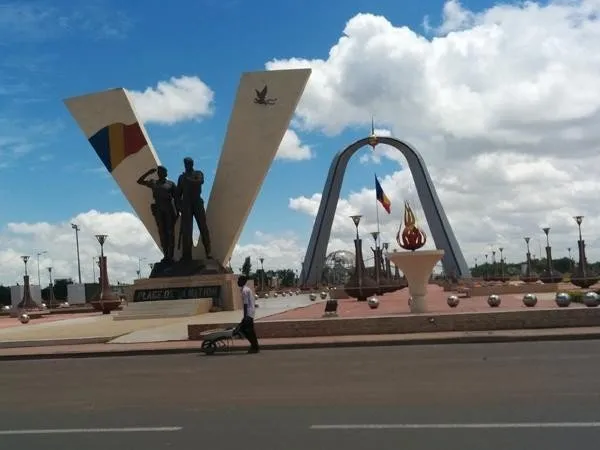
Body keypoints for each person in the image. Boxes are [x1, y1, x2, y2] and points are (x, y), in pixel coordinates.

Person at [137, 166, 179, 262]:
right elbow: (139, 181)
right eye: (161, 172)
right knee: (162, 232)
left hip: (169, 209)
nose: (164, 173)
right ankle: (166, 255)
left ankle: (171, 255)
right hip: (159, 209)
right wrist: (148, 172)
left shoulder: (171, 184)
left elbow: (176, 198)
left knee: (170, 232)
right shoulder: (153, 182)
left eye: (164, 171)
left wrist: (178, 211)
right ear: (159, 173)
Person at [176, 157, 211, 261]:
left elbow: (200, 181)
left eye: (188, 163)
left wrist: (188, 179)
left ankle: (208, 252)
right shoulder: (181, 178)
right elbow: (178, 193)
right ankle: (186, 255)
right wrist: (179, 205)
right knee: (187, 231)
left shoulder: (198, 173)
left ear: (192, 164)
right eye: (185, 163)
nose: (187, 165)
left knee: (203, 227)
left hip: (197, 202)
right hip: (186, 204)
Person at [237, 275, 260, 353]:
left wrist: (245, 317)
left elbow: (245, 304)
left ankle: (254, 347)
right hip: (251, 313)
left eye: (239, 280)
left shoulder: (244, 291)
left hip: (248, 314)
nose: (237, 282)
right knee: (250, 331)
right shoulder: (246, 289)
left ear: (243, 281)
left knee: (245, 330)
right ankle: (255, 346)